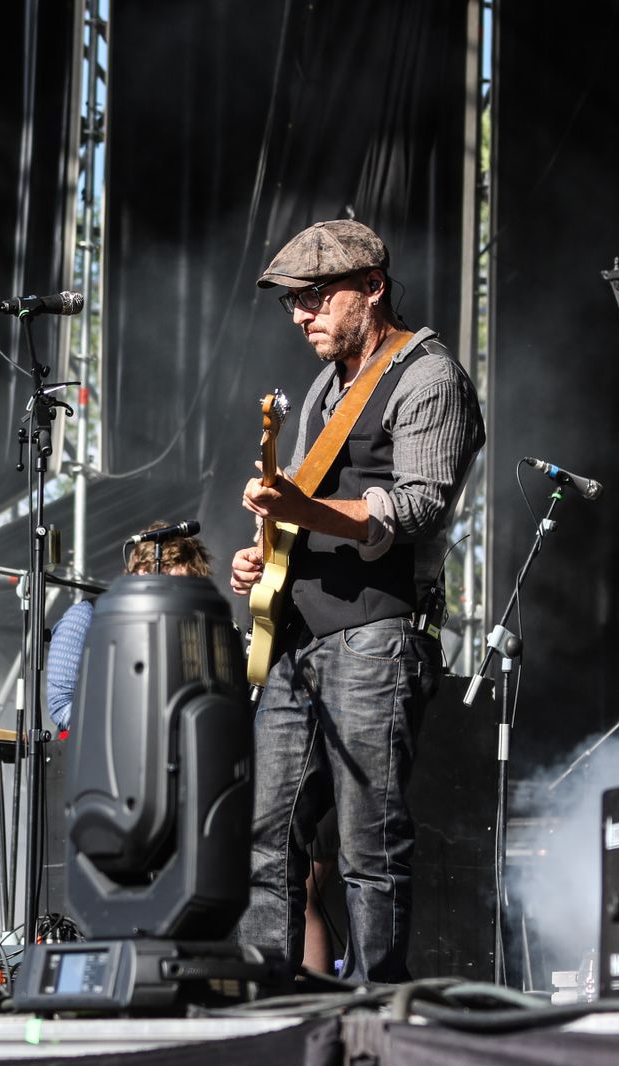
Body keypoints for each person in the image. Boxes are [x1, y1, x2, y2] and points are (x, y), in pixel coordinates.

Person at [229, 219, 484, 982]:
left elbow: (416, 508)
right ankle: (268, 1008)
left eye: (315, 298)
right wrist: (266, 554)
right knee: (266, 835)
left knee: (368, 844)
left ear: (372, 287)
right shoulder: (321, 388)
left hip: (377, 635)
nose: (302, 316)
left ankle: (380, 1016)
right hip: (298, 640)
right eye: (292, 305)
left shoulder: (428, 375)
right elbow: (308, 502)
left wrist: (299, 513)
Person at [44, 524, 212, 730]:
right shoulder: (86, 616)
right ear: (143, 572)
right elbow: (61, 705)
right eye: (176, 584)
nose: (182, 596)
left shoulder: (187, 630)